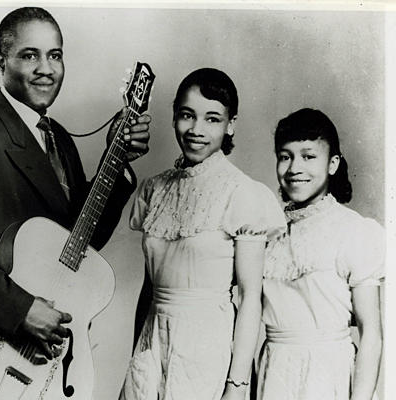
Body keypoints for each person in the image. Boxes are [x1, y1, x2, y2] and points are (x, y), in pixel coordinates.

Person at [0, 6, 150, 361]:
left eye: (55, 55)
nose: (46, 68)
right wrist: (21, 308)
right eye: (29, 55)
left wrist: (115, 163)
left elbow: (78, 244)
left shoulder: (59, 138)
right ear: (1, 61)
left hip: (44, 354)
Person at [120, 68, 285, 400]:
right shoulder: (155, 189)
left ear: (230, 125)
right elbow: (149, 289)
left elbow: (251, 298)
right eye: (187, 115)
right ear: (174, 117)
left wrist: (237, 385)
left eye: (212, 119)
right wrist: (136, 356)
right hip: (151, 344)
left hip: (206, 350)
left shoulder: (242, 193)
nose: (196, 129)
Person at [257, 108, 384, 400]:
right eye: (285, 156)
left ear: (333, 163)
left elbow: (371, 334)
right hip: (274, 373)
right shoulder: (271, 235)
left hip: (329, 374)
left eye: (308, 156)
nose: (294, 168)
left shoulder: (353, 230)